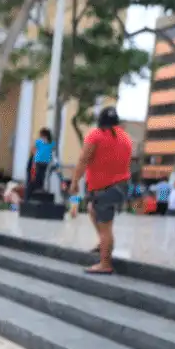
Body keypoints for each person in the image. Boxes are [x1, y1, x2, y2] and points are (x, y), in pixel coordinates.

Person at [64, 106, 133, 275]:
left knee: (105, 227)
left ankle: (105, 263)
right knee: (91, 210)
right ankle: (103, 244)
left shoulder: (96, 135)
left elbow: (83, 159)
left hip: (105, 188)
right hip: (121, 185)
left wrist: (74, 182)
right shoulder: (125, 137)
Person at [26, 128, 54, 200]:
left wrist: (50, 159)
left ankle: (39, 189)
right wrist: (35, 155)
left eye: (41, 134)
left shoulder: (51, 143)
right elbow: (33, 148)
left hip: (45, 162)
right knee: (36, 175)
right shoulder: (39, 141)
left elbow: (51, 151)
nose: (40, 136)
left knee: (42, 176)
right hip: (38, 161)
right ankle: (34, 191)